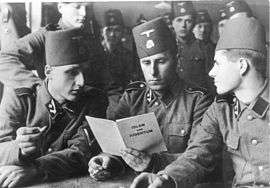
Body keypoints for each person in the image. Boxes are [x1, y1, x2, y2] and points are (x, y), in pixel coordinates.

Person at [130, 16, 269, 188]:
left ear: (242, 66)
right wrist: (166, 178)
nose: (211, 72)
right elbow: (199, 153)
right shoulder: (220, 110)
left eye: (218, 64)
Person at [88, 17, 215, 183]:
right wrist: (106, 160)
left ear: (176, 59)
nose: (153, 72)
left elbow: (200, 155)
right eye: (146, 63)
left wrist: (154, 163)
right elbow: (116, 143)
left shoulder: (198, 100)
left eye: (161, 61)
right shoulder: (133, 97)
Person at [0, 28, 109, 187]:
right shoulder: (20, 96)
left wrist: (36, 170)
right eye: (72, 72)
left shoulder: (94, 100)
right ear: (48, 71)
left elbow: (81, 152)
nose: (82, 82)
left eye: (85, 71)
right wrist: (19, 148)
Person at [0, 2, 106, 90]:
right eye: (77, 7)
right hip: (54, 110)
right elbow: (3, 59)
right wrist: (39, 88)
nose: (83, 13)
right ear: (61, 7)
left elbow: (111, 87)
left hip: (90, 109)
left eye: (87, 7)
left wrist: (112, 114)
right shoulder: (45, 35)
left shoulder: (92, 41)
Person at [101, 9, 141, 118]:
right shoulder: (97, 55)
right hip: (100, 101)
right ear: (102, 32)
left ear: (123, 31)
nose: (113, 34)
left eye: (117, 30)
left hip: (121, 100)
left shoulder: (128, 55)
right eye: (109, 30)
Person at [172, 1, 215, 93]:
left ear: (193, 23)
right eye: (179, 20)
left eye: (188, 21)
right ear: (172, 23)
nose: (183, 25)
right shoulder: (166, 47)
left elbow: (212, 82)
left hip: (199, 99)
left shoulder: (205, 48)